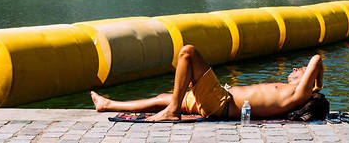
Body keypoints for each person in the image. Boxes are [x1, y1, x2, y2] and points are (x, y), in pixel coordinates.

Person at [91, 45, 324, 122]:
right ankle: (108, 104)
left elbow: (316, 59)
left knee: (188, 52)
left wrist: (317, 83)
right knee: (164, 97)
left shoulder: (298, 93)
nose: (295, 69)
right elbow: (313, 64)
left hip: (221, 103)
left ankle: (172, 112)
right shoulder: (294, 91)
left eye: (299, 70)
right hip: (218, 99)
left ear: (308, 80)